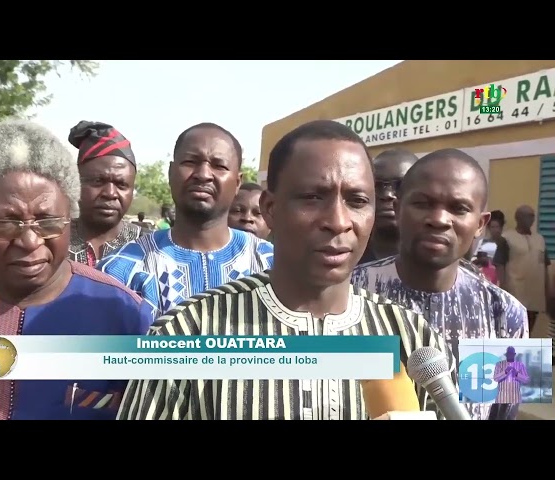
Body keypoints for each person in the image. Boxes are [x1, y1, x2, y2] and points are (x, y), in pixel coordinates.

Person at [117, 120, 456, 420]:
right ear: (271, 209)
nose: (338, 222)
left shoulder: (412, 339)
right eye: (312, 198)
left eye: (357, 201)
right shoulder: (189, 332)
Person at [0, 119, 153, 420]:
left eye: (48, 221)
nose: (29, 241)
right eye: (5, 223)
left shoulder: (126, 315)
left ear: (70, 216)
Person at [351, 148, 528, 420]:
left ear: (481, 223)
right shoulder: (347, 291)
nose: (439, 219)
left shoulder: (508, 314)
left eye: (459, 208)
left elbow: (508, 411)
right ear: (397, 209)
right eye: (422, 203)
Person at [99, 122, 274, 317]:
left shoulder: (274, 265)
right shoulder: (120, 270)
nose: (203, 174)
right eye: (191, 162)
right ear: (171, 173)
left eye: (219, 166)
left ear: (237, 182)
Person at [67, 121, 142, 267]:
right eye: (98, 181)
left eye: (121, 185)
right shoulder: (51, 243)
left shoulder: (150, 246)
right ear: (76, 182)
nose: (110, 193)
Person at [494, 205, 549, 334]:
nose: (531, 219)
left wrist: (548, 290)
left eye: (532, 216)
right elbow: (499, 263)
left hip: (535, 294)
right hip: (515, 292)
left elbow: (545, 265)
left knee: (529, 328)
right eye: (527, 216)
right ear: (518, 218)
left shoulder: (539, 239)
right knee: (514, 330)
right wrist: (503, 287)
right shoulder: (507, 238)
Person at [358, 148, 418, 265]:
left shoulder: (439, 258)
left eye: (400, 184)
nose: (387, 195)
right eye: (377, 185)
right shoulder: (342, 254)